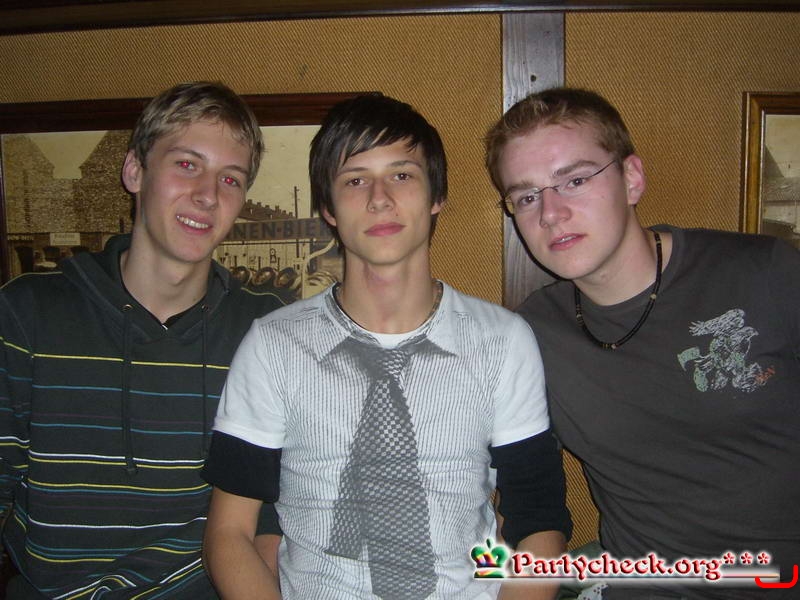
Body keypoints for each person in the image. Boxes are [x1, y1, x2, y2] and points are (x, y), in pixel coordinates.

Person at [202, 94, 572, 599]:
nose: (380, 199)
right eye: (355, 180)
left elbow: (538, 521)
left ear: (436, 195)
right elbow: (230, 534)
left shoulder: (503, 341)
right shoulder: (274, 345)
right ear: (328, 208)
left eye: (402, 175)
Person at [484, 87, 800, 600]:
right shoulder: (531, 333)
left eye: (575, 180)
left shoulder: (762, 273)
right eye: (526, 196)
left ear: (631, 178)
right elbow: (523, 493)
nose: (550, 213)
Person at [0, 81, 284, 598]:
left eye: (230, 178)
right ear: (134, 170)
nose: (208, 194)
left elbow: (272, 514)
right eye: (187, 164)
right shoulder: (26, 314)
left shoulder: (266, 329)